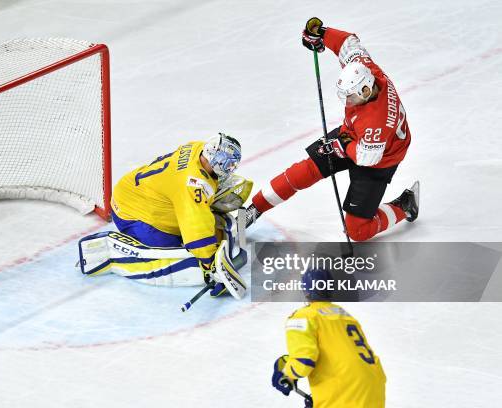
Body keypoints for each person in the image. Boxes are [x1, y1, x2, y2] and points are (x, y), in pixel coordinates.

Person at [247, 17, 419, 241]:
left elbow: (367, 157)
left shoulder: (376, 121)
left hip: (380, 158)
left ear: (366, 91)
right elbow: (349, 43)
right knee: (304, 171)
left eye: (352, 97)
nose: (347, 102)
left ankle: (404, 205)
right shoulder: (366, 70)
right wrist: (322, 33)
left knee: (357, 231)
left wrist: (342, 144)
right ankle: (254, 208)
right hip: (355, 138)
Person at [78, 133, 249, 299]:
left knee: (208, 208)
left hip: (135, 191)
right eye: (229, 165)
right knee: (174, 250)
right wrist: (210, 265)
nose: (230, 170)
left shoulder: (198, 148)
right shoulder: (192, 184)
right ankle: (114, 258)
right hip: (132, 212)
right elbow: (195, 228)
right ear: (218, 160)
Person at [271, 268, 386, 407]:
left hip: (346, 391)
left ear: (305, 290)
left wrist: (286, 374)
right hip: (373, 387)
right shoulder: (346, 316)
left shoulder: (303, 316)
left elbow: (304, 361)